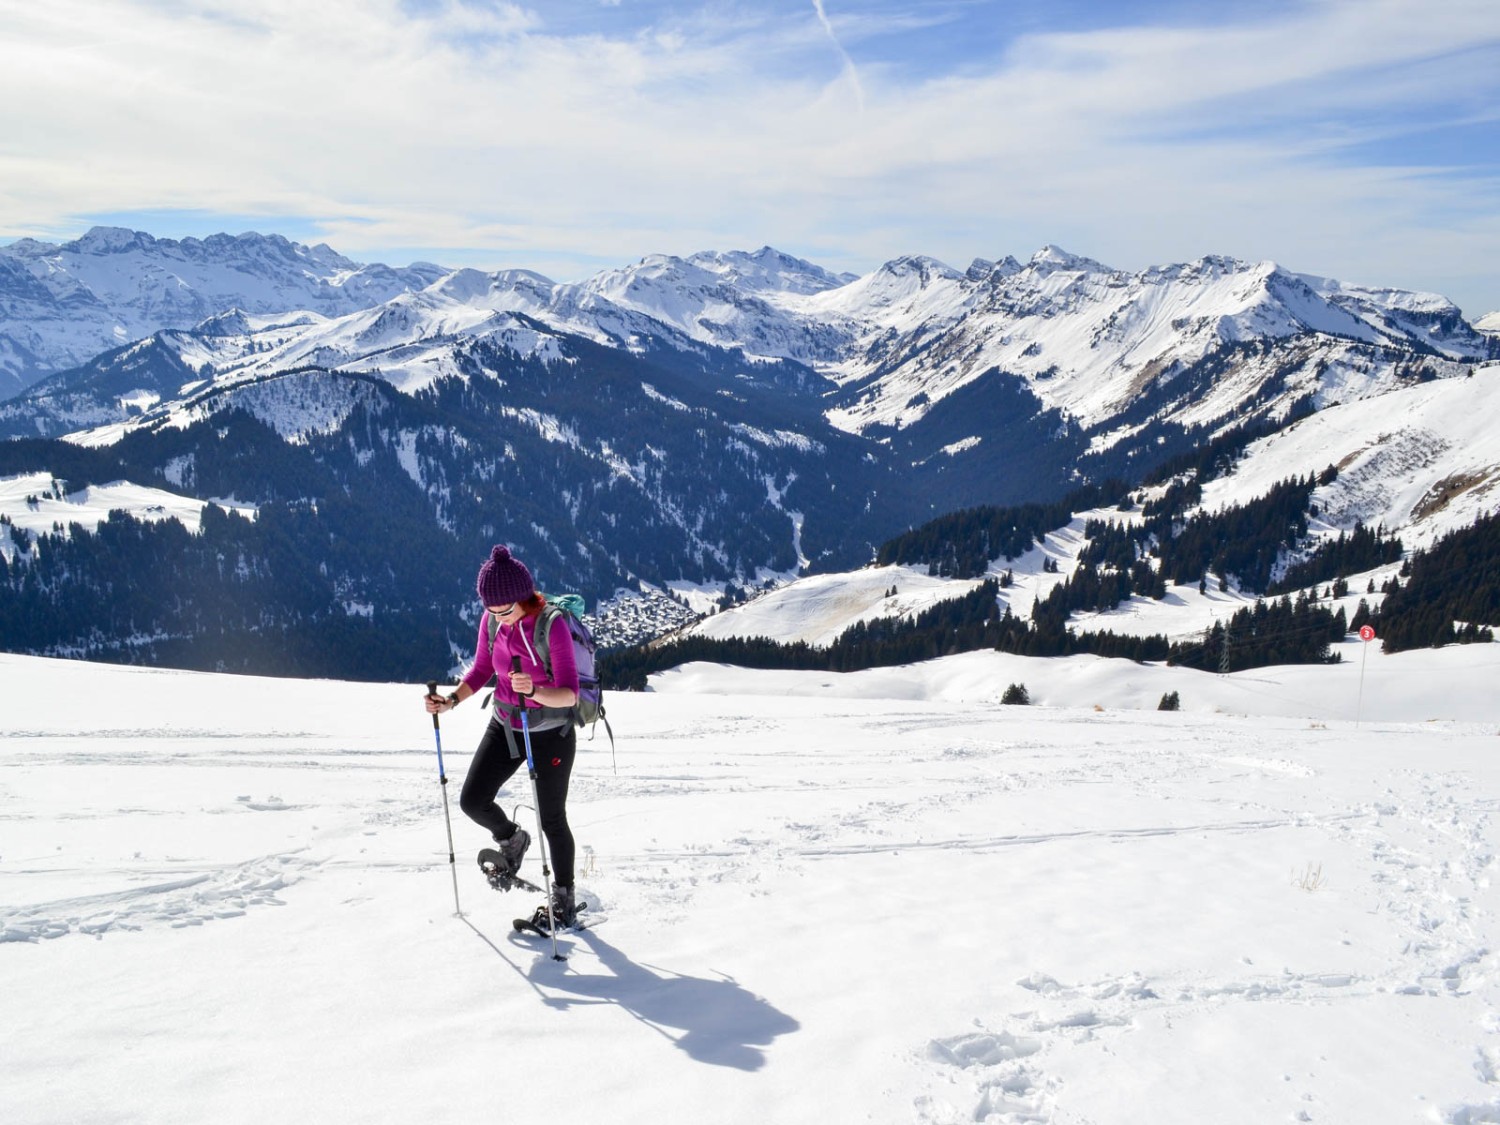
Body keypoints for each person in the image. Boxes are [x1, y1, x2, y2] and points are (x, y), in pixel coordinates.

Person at [424, 545, 581, 929]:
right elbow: (480, 670)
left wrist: (535, 692)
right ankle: (512, 840)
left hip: (550, 732)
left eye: (505, 610)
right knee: (473, 800)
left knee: (552, 819)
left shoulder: (551, 624)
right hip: (505, 724)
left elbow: (570, 692)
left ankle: (563, 897)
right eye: (491, 610)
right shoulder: (492, 621)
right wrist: (451, 700)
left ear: (525, 597)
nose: (498, 617)